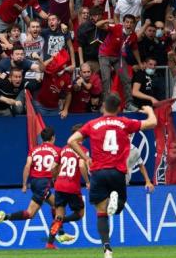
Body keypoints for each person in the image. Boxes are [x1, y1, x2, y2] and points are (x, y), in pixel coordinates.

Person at [67, 94, 157, 258]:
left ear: (103, 107)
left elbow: (71, 140)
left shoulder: (92, 124)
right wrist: (150, 111)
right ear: (119, 108)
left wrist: (86, 158)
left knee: (101, 213)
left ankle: (107, 249)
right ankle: (114, 201)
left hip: (98, 172)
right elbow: (153, 123)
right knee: (119, 207)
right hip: (117, 172)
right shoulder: (124, 122)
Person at [0, 127, 62, 249]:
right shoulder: (57, 150)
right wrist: (55, 178)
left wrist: (24, 184)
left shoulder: (33, 150)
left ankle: (51, 241)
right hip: (44, 182)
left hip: (34, 183)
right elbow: (56, 169)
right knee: (52, 210)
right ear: (53, 138)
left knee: (46, 209)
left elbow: (28, 165)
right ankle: (57, 235)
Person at [48, 124, 90, 245]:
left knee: (59, 214)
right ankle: (60, 222)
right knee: (80, 214)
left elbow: (53, 167)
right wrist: (87, 181)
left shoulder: (63, 149)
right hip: (72, 187)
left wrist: (55, 179)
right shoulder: (84, 150)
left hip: (60, 185)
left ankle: (50, 243)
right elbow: (82, 165)